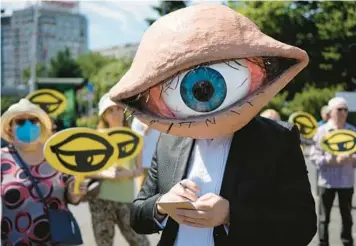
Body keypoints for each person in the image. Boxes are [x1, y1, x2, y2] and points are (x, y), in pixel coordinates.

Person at [109, 4, 317, 246]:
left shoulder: (278, 139)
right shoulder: (169, 139)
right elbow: (137, 216)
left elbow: (302, 225)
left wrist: (232, 215)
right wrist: (161, 205)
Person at [0, 99, 85, 245]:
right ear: (10, 128)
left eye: (33, 120)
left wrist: (75, 192)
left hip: (56, 240)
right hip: (14, 241)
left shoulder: (56, 156)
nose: (28, 125)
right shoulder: (2, 159)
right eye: (20, 121)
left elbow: (73, 197)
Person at [87, 93, 150, 246]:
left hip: (126, 199)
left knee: (141, 242)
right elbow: (85, 170)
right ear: (103, 115)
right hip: (100, 199)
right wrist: (107, 174)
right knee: (104, 243)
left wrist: (127, 173)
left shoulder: (135, 138)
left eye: (118, 109)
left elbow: (140, 170)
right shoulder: (95, 138)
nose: (115, 113)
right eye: (110, 110)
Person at [310, 97, 356, 246]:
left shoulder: (353, 131)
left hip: (346, 181)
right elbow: (313, 155)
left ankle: (347, 242)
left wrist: (352, 158)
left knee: (347, 217)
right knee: (324, 218)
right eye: (339, 109)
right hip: (326, 181)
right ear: (331, 112)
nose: (343, 112)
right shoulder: (321, 131)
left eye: (345, 109)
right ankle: (323, 243)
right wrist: (330, 161)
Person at [131, 117, 161, 188]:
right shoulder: (137, 120)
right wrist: (148, 124)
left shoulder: (160, 119)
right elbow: (138, 141)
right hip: (144, 165)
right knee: (142, 193)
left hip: (158, 165)